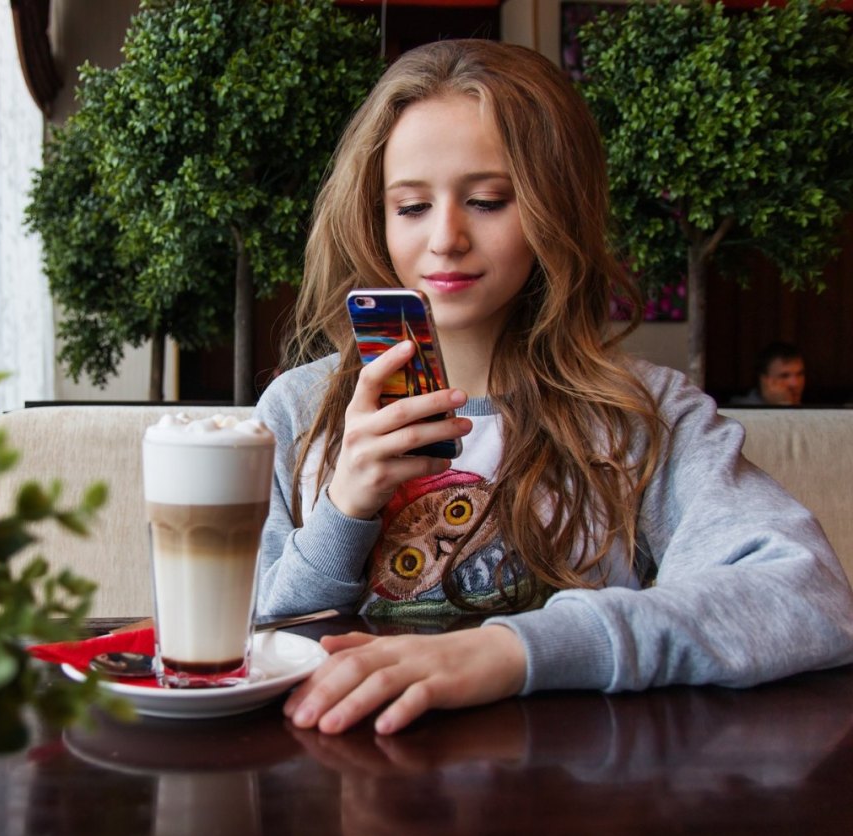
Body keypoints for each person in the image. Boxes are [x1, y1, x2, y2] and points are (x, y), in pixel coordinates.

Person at [253, 40, 853, 736]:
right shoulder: (298, 413)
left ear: (553, 208)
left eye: (487, 200)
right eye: (411, 207)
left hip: (570, 800)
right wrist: (343, 511)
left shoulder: (641, 416)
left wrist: (515, 649)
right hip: (343, 793)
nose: (446, 238)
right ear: (375, 216)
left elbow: (809, 597)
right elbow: (238, 646)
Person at [730, 341, 806, 406]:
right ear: (763, 380)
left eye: (800, 374)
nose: (795, 383)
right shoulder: (740, 409)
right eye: (784, 376)